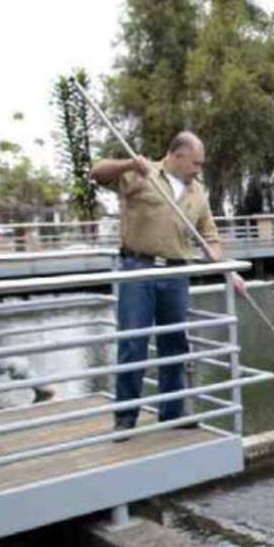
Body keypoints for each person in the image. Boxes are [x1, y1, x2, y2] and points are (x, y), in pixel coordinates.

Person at [91, 132, 231, 434]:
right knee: (133, 342)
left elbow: (211, 236)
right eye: (195, 163)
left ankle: (172, 411)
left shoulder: (198, 193)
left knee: (175, 343)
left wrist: (215, 255)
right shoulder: (142, 173)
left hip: (176, 273)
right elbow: (97, 173)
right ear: (176, 155)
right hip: (138, 268)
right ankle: (126, 417)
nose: (198, 169)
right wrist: (129, 162)